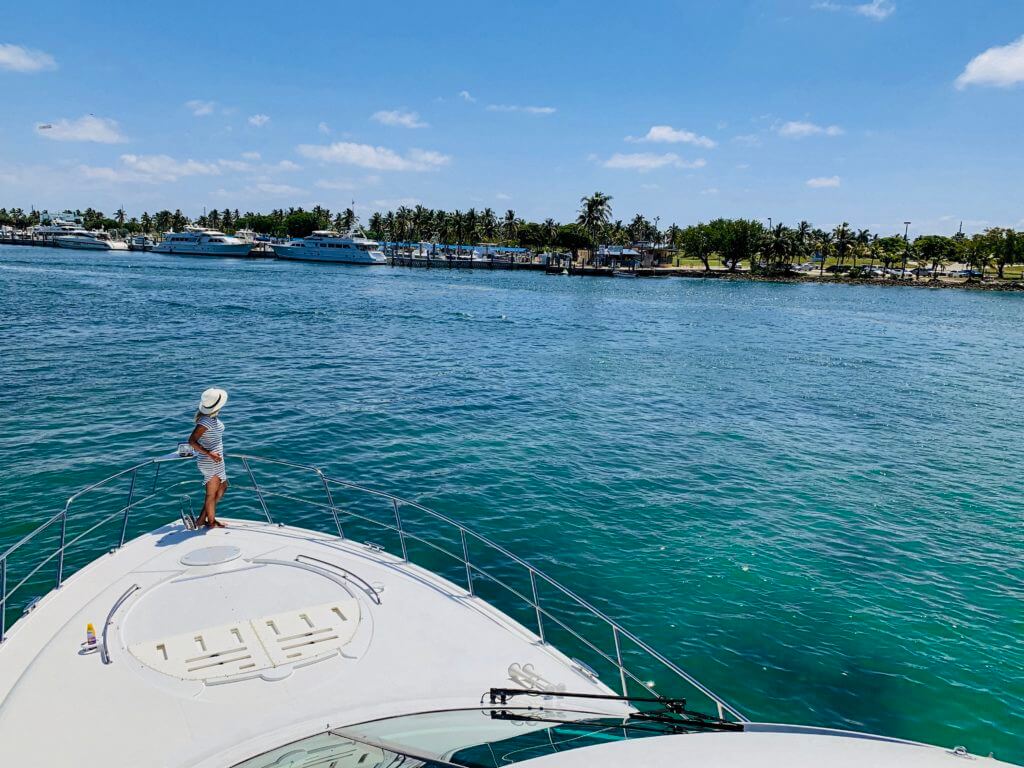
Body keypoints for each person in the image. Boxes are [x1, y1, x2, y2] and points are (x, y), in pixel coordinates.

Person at [188, 387, 229, 528]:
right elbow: (191, 441)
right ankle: (211, 522)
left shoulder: (210, 418)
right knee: (211, 494)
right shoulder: (205, 421)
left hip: (216, 460)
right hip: (210, 460)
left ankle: (202, 518)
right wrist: (209, 453)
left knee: (223, 487)